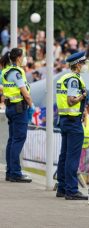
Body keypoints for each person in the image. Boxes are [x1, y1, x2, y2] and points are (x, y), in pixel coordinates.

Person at [55, 51, 88, 200]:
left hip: (64, 119)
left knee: (64, 155)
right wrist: (83, 96)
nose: (85, 66)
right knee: (72, 157)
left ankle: (62, 187)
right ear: (78, 64)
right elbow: (71, 100)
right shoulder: (74, 80)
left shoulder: (63, 77)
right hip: (73, 121)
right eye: (83, 63)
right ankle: (72, 190)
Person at [0, 48, 33, 182]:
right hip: (19, 108)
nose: (24, 58)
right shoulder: (16, 72)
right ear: (19, 57)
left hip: (10, 107)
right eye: (23, 56)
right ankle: (15, 172)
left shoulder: (5, 71)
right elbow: (25, 93)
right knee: (18, 139)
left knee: (12, 140)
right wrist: (32, 106)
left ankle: (10, 171)